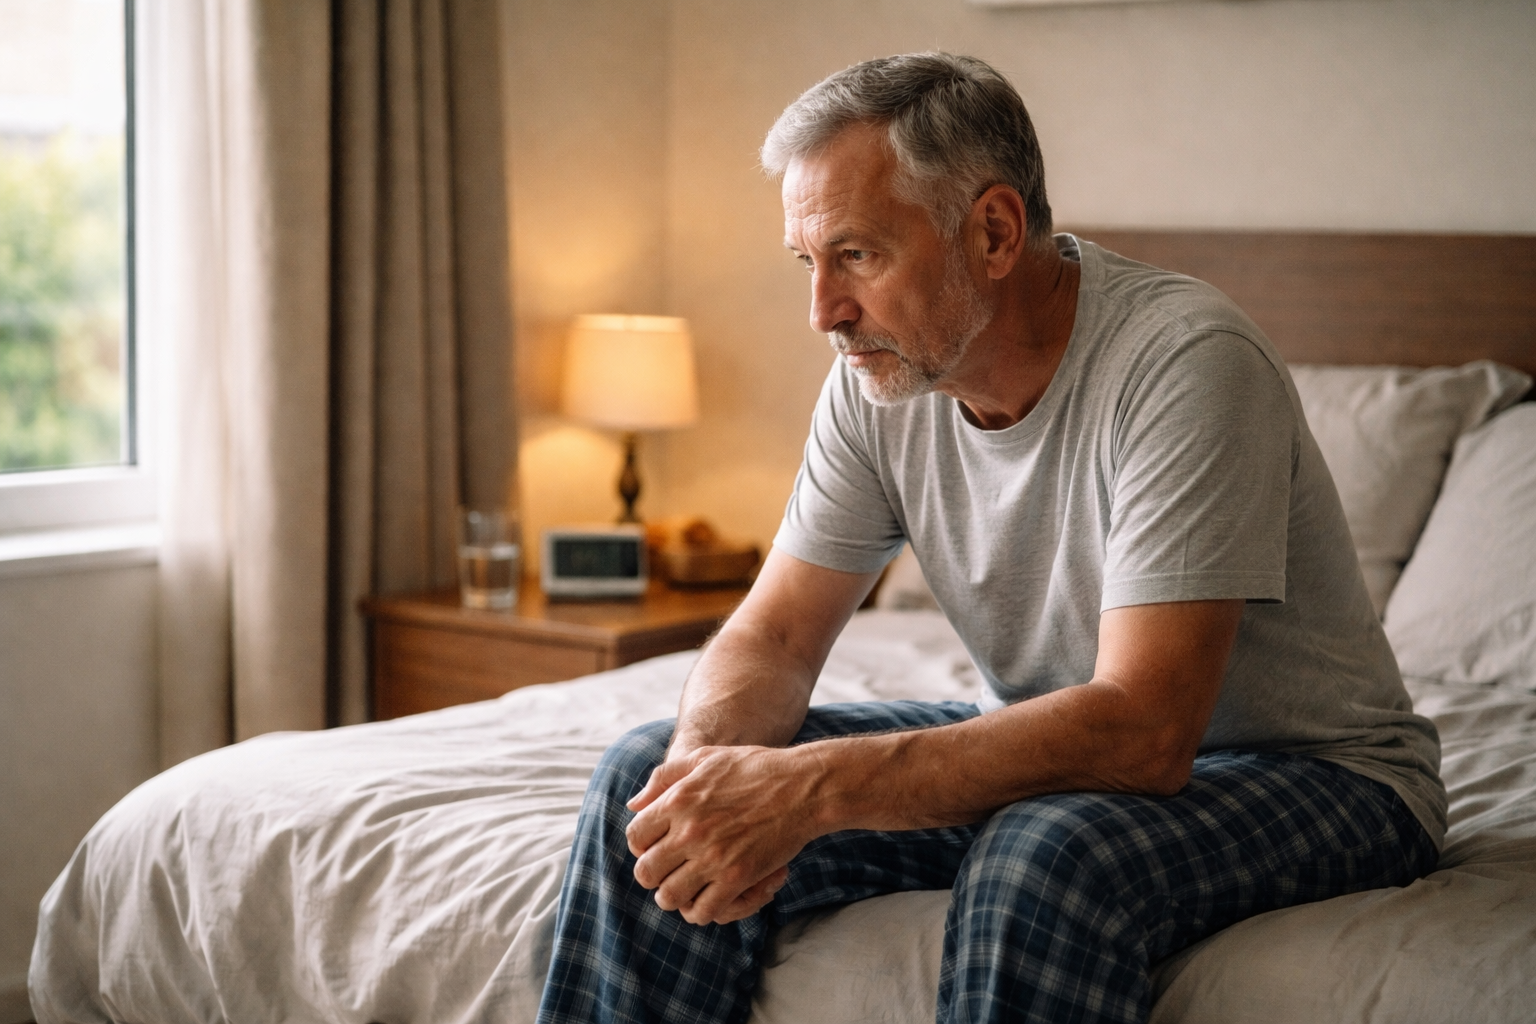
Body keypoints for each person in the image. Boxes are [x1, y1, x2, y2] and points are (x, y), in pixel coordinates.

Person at [536, 52, 1445, 1024]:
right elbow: (777, 637)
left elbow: (1145, 730)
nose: (823, 314)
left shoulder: (1186, 364)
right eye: (810, 262)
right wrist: (705, 782)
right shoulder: (876, 381)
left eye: (859, 256)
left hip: (1321, 773)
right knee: (649, 783)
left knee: (1046, 854)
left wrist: (809, 791)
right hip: (1060, 756)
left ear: (996, 233)